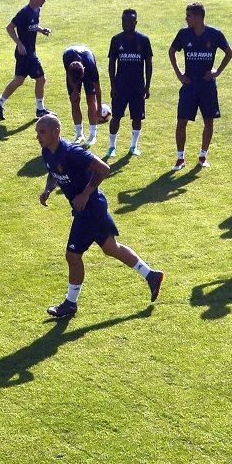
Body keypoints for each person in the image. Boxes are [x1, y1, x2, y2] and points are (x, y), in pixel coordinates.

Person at [35, 112, 164, 318]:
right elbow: (53, 172)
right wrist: (48, 189)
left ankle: (70, 304)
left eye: (42, 132)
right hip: (86, 209)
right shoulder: (47, 153)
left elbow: (103, 168)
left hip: (91, 208)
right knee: (111, 248)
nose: (38, 136)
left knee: (73, 255)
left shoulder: (72, 152)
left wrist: (85, 194)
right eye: (37, 132)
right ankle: (151, 275)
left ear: (55, 131)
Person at [168, 2, 232, 170]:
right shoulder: (184, 34)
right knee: (181, 121)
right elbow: (171, 51)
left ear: (198, 17)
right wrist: (179, 74)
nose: (186, 18)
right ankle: (180, 158)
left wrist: (217, 71)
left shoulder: (215, 34)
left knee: (208, 121)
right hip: (189, 86)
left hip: (207, 87)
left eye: (189, 15)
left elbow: (229, 53)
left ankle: (203, 155)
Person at [0, 0, 51, 121]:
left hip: (28, 53)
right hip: (26, 54)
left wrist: (41, 30)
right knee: (41, 79)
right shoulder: (24, 13)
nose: (44, 1)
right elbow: (10, 27)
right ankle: (40, 110)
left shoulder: (36, 10)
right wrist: (19, 44)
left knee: (18, 80)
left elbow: (31, 26)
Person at [106, 9, 153, 158]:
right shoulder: (116, 40)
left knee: (137, 118)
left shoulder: (143, 40)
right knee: (116, 117)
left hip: (137, 87)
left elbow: (149, 64)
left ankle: (134, 146)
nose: (126, 24)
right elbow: (112, 63)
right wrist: (113, 85)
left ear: (135, 22)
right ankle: (112, 147)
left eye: (129, 21)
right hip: (120, 87)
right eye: (124, 20)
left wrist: (147, 86)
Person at [62, 45, 104, 146]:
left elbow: (97, 88)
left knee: (91, 99)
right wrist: (75, 90)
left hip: (87, 63)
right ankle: (79, 134)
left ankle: (93, 134)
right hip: (72, 65)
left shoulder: (90, 66)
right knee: (74, 100)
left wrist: (99, 107)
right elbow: (70, 76)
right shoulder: (67, 57)